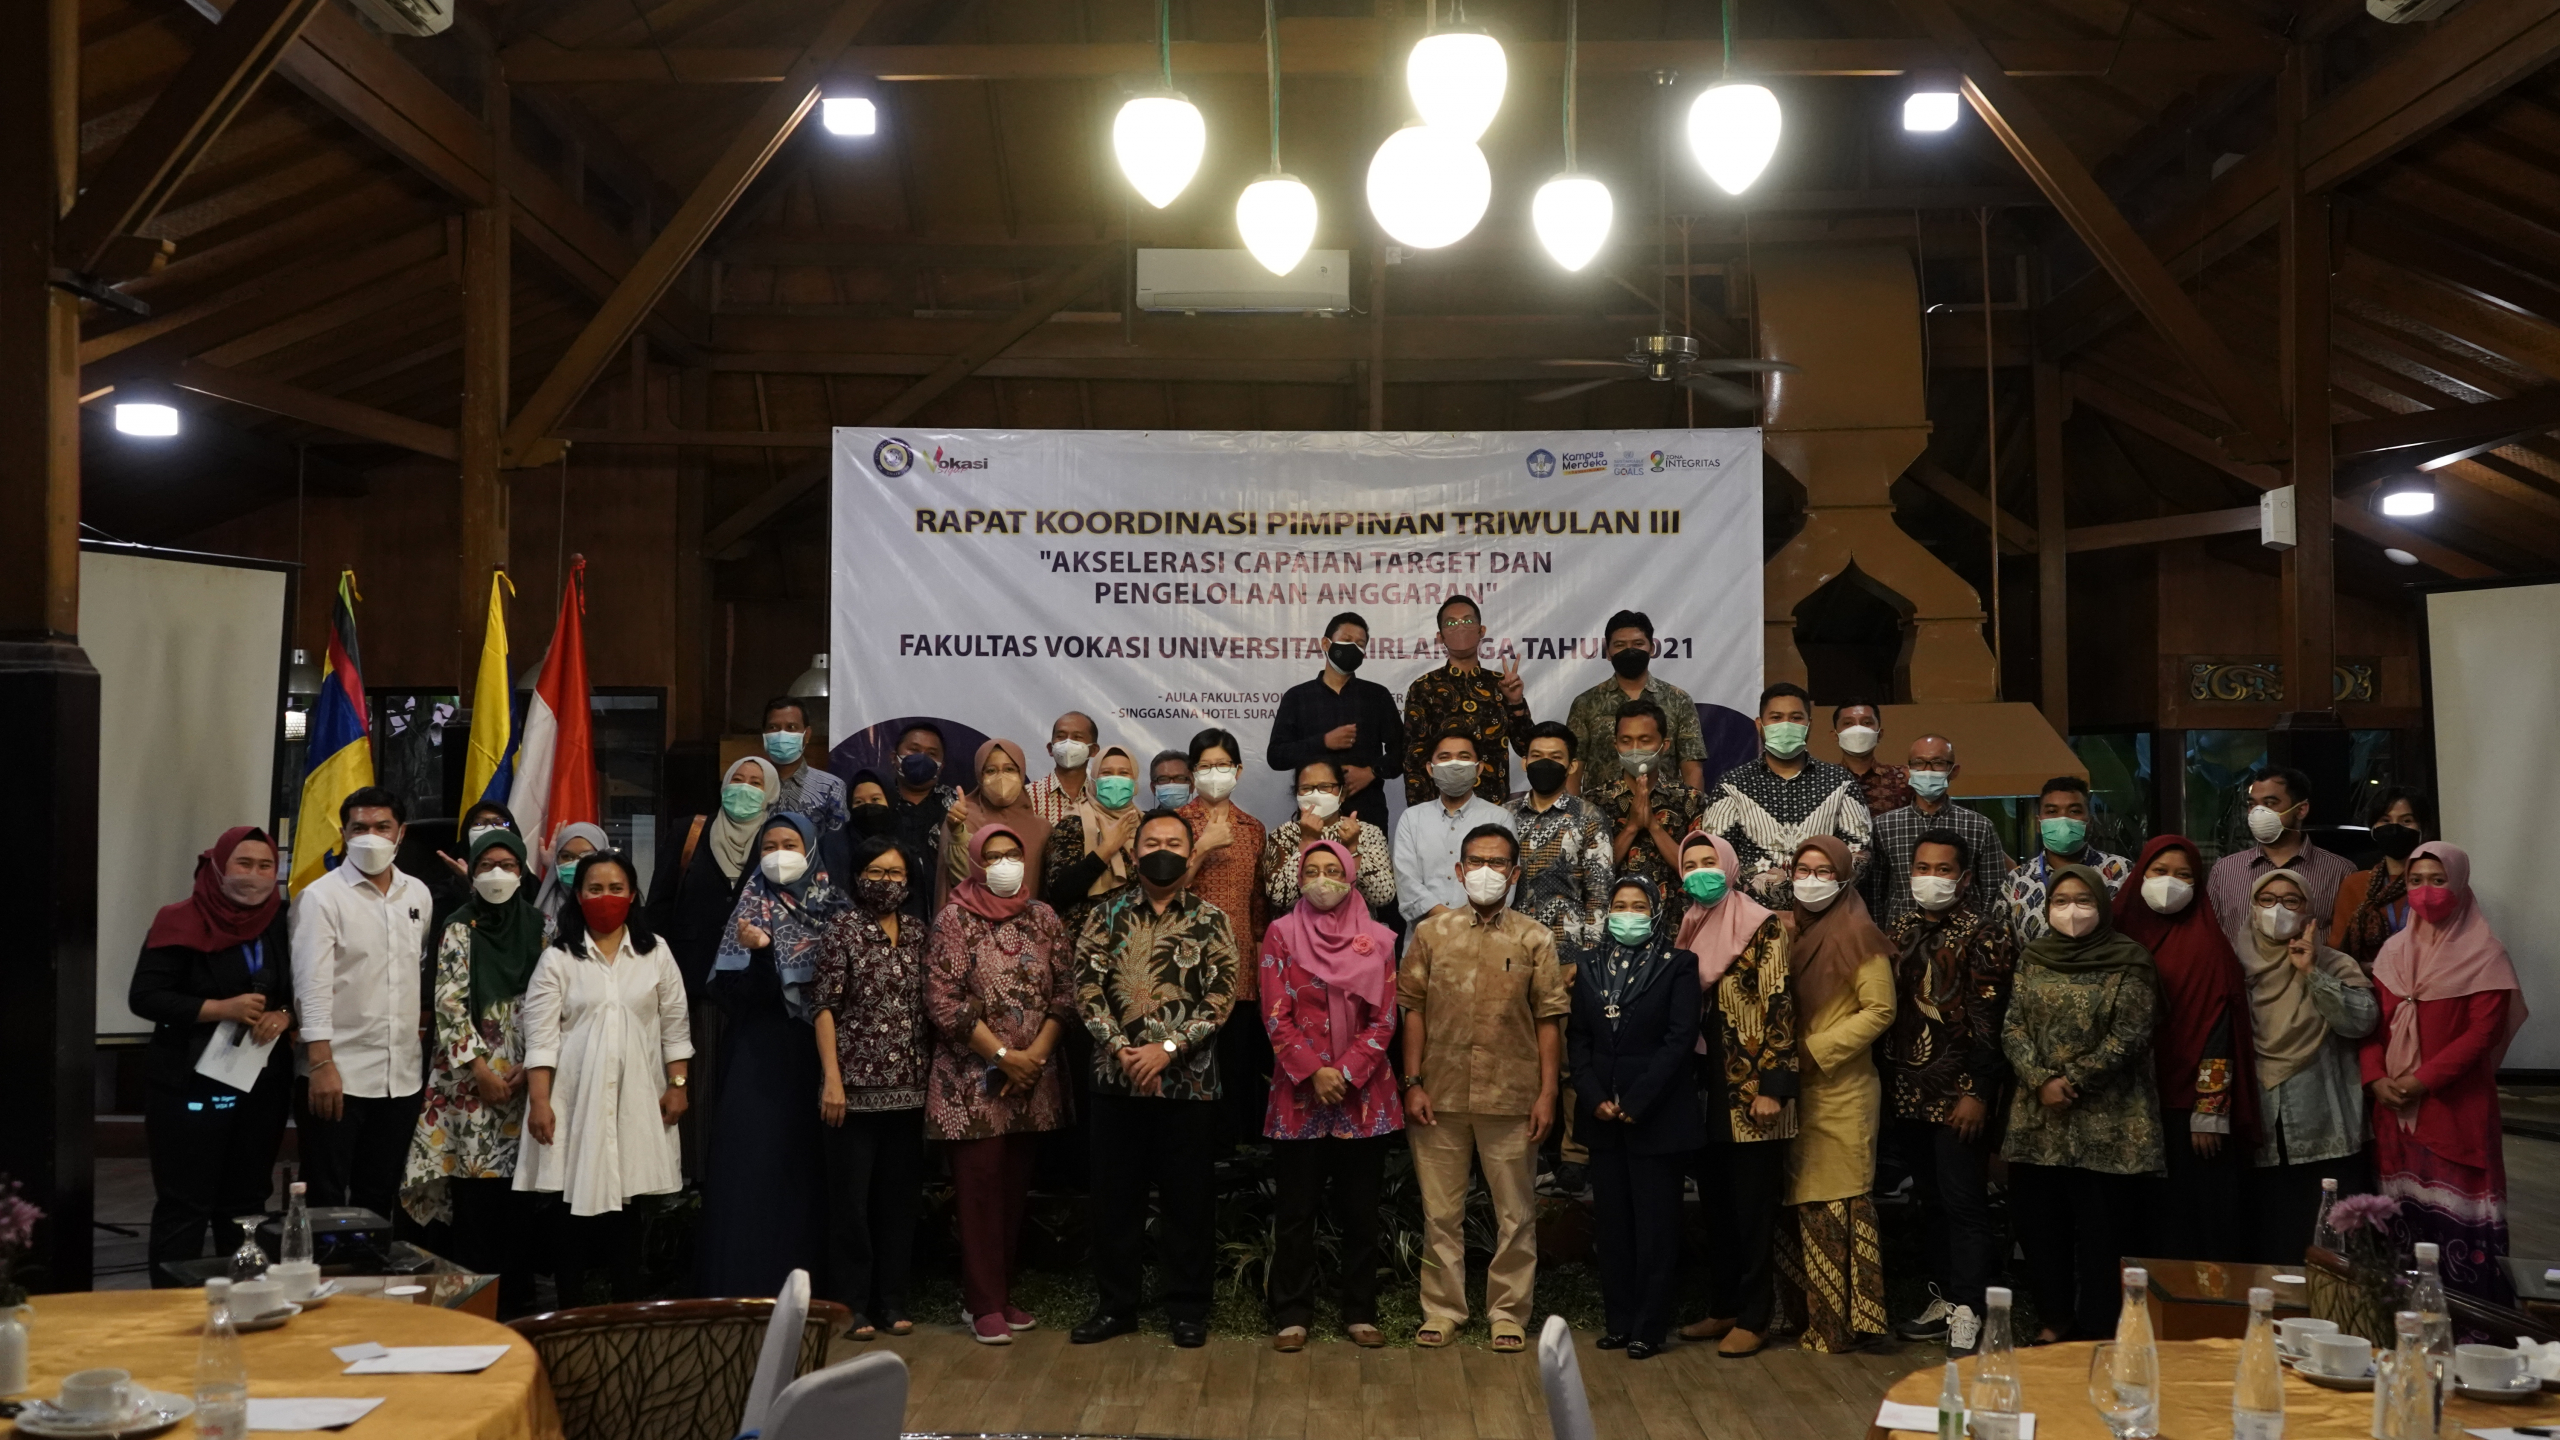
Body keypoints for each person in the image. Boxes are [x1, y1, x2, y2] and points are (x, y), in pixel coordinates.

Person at [1072, 809, 1240, 1349]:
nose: (1161, 850)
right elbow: (1085, 988)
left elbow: (1223, 994)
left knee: (1188, 1201)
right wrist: (1123, 1048)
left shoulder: (1211, 918)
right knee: (1114, 1200)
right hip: (1115, 1081)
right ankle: (1116, 1306)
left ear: (1191, 853)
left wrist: (1168, 1048)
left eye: (1173, 842)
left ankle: (1188, 1308)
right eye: (1151, 842)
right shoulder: (1105, 915)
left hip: (1188, 1084)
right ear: (1134, 853)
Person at [1398, 824, 1566, 1354]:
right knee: (1439, 1213)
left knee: (1516, 1214)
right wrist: (1412, 1082)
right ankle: (1443, 1310)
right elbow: (1413, 1011)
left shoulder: (1536, 938)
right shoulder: (1432, 934)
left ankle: (1508, 1313)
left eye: (1497, 863)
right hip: (1438, 1096)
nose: (1485, 872)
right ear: (1459, 870)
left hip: (1512, 1096)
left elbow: (1548, 1020)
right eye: (1476, 861)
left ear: (1514, 874)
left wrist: (1548, 1094)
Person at [517, 851, 693, 1304]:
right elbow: (539, 1037)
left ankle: (628, 1317)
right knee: (566, 1212)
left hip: (638, 1098)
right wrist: (539, 1101)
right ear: (578, 895)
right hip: (572, 1102)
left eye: (616, 888)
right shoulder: (557, 958)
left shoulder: (656, 953)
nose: (606, 897)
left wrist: (677, 1087)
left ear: (633, 895)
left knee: (628, 1212)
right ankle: (571, 1315)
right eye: (595, 888)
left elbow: (675, 1027)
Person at [926, 824, 1075, 1346]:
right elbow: (943, 1001)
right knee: (980, 1192)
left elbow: (1064, 995)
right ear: (974, 863)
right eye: (992, 856)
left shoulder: (1044, 917)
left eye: (1013, 853)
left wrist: (1033, 1057)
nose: (1005, 863)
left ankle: (999, 1292)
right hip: (972, 1081)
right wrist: (1003, 1056)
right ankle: (980, 1302)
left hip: (1033, 1077)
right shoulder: (953, 918)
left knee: (1013, 1193)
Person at [2000, 864, 2162, 1342]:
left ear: (2103, 904)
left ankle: (2098, 1325)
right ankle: (2055, 1319)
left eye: (2083, 900)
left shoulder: (2129, 959)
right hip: (2039, 1118)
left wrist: (2069, 1079)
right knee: (2040, 1226)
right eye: (2061, 901)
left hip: (2109, 1119)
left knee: (2103, 1232)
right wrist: (2040, 1079)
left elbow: (2130, 1034)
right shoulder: (2034, 955)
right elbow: (2012, 1025)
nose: (2072, 910)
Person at [2363, 842, 2526, 1305]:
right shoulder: (2392, 954)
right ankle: (2400, 1327)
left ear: (2458, 885)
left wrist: (2421, 1080)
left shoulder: (2486, 955)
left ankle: (2472, 1331)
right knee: (2399, 1222)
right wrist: (2375, 1078)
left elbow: (2482, 1035)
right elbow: (2369, 1026)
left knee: (2460, 1232)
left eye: (2438, 881)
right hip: (2393, 1114)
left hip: (2454, 1110)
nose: (2426, 891)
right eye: (2416, 881)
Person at [1259, 841, 1404, 1352]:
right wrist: (1314, 1072)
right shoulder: (1279, 934)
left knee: (1360, 1211)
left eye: (1333, 871)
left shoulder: (1381, 939)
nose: (1323, 880)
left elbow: (1386, 1018)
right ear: (1299, 879)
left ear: (1351, 877)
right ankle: (1292, 1313)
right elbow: (1275, 1014)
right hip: (1298, 1093)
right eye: (1313, 871)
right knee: (1296, 1210)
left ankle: (1359, 1311)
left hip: (1363, 1095)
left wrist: (1344, 1072)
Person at [130, 827, 293, 1283]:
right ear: (219, 867)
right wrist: (219, 1009)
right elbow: (145, 997)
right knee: (185, 1203)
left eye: (266, 866)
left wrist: (284, 1014)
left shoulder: (283, 920)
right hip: (187, 1084)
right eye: (244, 864)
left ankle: (247, 1304)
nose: (256, 876)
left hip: (259, 1085)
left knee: (246, 1202)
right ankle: (170, 1315)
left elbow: (303, 991)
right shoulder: (178, 919)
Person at [1879, 830, 2015, 1353]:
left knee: (1963, 1204)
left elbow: (1991, 1023)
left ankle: (1971, 1308)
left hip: (1959, 1097)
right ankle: (1942, 1296)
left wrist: (1979, 1093)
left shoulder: (1986, 934)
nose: (1929, 878)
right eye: (1921, 867)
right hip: (1908, 1092)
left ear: (1965, 878)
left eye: (1942, 869)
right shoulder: (1899, 928)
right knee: (1929, 1200)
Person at [696, 814, 837, 1306]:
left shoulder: (832, 908)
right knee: (750, 1167)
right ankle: (741, 1286)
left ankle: (807, 1292)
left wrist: (777, 946)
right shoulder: (748, 907)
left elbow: (840, 985)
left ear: (812, 848)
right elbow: (732, 994)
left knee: (804, 1172)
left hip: (817, 1056)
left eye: (790, 843)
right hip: (757, 1057)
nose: (779, 853)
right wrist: (759, 954)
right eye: (769, 845)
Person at [399, 829, 540, 1312]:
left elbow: (552, 1003)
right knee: (476, 1206)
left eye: (508, 864)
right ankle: (474, 1316)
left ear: (523, 871)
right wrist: (479, 1068)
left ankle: (521, 1317)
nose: (497, 874)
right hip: (469, 1085)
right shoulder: (459, 926)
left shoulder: (541, 927)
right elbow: (449, 1004)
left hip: (528, 1081)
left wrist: (533, 1064)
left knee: (521, 1209)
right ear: (471, 872)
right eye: (486, 865)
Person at [1567, 877, 1703, 1360]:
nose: (1627, 913)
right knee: (1614, 1227)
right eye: (1619, 905)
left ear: (1655, 911)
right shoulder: (1587, 965)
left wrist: (1637, 1099)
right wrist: (1594, 1096)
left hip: (1657, 1116)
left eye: (1637, 906)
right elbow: (1578, 1040)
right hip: (1602, 1114)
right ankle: (1619, 1321)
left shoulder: (1679, 965)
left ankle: (1650, 1326)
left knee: (1656, 1226)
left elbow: (1679, 1039)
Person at [1770, 836, 1897, 1355]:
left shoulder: (1859, 936)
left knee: (1836, 1203)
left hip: (1841, 1091)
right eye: (1803, 869)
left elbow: (1880, 1011)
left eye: (1825, 871)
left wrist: (1813, 1051)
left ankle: (1842, 1324)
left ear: (1845, 878)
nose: (1812, 879)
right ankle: (1804, 1318)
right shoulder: (1788, 931)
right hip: (1794, 1094)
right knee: (1798, 1203)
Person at [1670, 832, 1793, 1359]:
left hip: (1751, 1090)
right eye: (1691, 863)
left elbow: (1781, 1005)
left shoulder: (1762, 924)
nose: (1701, 871)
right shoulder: (1691, 923)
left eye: (1709, 862)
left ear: (1730, 866)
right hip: (1703, 1084)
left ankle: (1756, 1315)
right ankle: (1723, 1306)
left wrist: (1774, 1087)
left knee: (1753, 1208)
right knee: (1716, 1203)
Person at [2113, 836, 2257, 1265]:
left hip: (2186, 1113)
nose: (2168, 883)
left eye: (2183, 875)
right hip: (2124, 1104)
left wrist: (2209, 1111)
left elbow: (2220, 1030)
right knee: (2133, 1220)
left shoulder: (2209, 946)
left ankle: (2201, 1319)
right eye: (2158, 872)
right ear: (2139, 875)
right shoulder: (2117, 932)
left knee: (2192, 1220)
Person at [291, 786, 432, 1225]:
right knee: (327, 1196)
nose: (370, 835)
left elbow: (416, 970)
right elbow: (310, 986)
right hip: (337, 1074)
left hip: (400, 1077)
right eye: (359, 827)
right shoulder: (321, 897)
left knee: (379, 1192)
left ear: (400, 833)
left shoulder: (418, 895)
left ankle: (370, 1290)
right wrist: (320, 1064)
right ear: (344, 833)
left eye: (381, 826)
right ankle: (328, 1286)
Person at [812, 833, 929, 1335]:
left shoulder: (921, 933)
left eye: (895, 874)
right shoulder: (842, 929)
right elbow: (824, 1006)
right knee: (850, 1206)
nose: (886, 883)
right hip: (853, 1092)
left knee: (898, 1204)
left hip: (911, 1091)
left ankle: (892, 1301)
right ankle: (852, 1304)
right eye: (876, 873)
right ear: (858, 877)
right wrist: (832, 1080)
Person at [2237, 867, 2377, 1263]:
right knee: (2270, 1235)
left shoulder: (2333, 962)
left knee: (2328, 1238)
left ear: (2309, 912)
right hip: (2259, 1123)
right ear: (2251, 907)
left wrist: (2311, 972)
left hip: (2324, 1122)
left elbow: (2360, 1022)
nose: (2277, 909)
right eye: (2267, 900)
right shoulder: (2235, 966)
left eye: (2290, 901)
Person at [1176, 728, 1272, 1144]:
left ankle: (1238, 1169)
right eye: (1205, 766)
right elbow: (1161, 892)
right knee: (1189, 1074)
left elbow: (1258, 910)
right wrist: (1202, 847)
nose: (1215, 773)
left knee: (1236, 1072)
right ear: (1192, 773)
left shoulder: (1253, 828)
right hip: (1184, 971)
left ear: (1239, 770)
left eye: (1223, 766)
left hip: (1240, 974)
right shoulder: (1172, 825)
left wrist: (1261, 975)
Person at [1701, 682, 1872, 901]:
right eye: (1776, 718)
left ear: (1809, 724)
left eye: (1796, 718)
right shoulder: (1731, 785)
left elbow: (1861, 853)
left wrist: (1817, 896)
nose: (1786, 725)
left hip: (1826, 915)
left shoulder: (1840, 782)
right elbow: (1715, 856)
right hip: (1752, 920)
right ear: (1759, 724)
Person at [1267, 612, 1405, 831]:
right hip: (1313, 816)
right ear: (1325, 643)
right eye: (1347, 640)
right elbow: (1276, 756)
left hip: (1367, 814)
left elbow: (1402, 752)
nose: (1354, 648)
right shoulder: (1297, 697)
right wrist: (1323, 742)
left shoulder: (1377, 696)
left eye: (1360, 644)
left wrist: (1371, 771)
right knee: (1316, 866)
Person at [649, 757, 777, 990]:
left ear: (770, 793)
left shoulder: (777, 838)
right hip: (688, 971)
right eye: (737, 780)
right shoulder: (688, 831)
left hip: (752, 977)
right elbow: (660, 902)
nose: (744, 788)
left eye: (756, 783)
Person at [1860, 734, 2010, 929]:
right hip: (1901, 937)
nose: (1927, 770)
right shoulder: (1884, 825)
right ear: (1908, 771)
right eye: (1919, 763)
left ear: (1953, 771)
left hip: (1964, 939)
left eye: (1938, 763)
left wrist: (1986, 935)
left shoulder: (1980, 826)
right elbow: (1875, 894)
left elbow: (1994, 892)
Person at [2208, 766, 2356, 962]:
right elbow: (2211, 940)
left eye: (2270, 803)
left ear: (2301, 810)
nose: (2258, 812)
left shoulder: (2340, 871)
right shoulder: (2225, 870)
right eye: (2253, 805)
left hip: (2309, 984)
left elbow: (2349, 944)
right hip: (2241, 987)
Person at [1402, 594, 1534, 806]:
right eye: (1451, 623)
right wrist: (1420, 813)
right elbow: (1414, 759)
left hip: (1493, 805)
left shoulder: (1501, 684)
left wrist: (1515, 703)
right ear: (1440, 636)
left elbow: (1526, 747)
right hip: (1441, 808)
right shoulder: (1424, 688)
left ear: (1482, 631)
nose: (1460, 627)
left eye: (1468, 621)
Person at [1588, 701, 1704, 930]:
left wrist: (1653, 826)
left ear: (1665, 745)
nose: (1635, 749)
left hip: (1676, 927)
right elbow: (1593, 875)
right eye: (1626, 741)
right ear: (1615, 745)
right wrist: (1631, 827)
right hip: (1613, 928)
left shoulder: (1689, 800)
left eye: (1645, 740)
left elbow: (1697, 875)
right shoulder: (1594, 803)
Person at [1563, 609, 1707, 793]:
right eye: (1620, 645)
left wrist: (1690, 814)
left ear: (1652, 648)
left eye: (1638, 643)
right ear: (1608, 652)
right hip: (1600, 816)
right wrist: (1577, 818)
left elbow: (1692, 768)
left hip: (1667, 814)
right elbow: (1574, 769)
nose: (1629, 651)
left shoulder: (1678, 700)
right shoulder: (1586, 703)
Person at [1505, 722, 1614, 955]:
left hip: (1565, 951)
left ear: (1572, 765)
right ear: (1524, 762)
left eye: (1555, 757)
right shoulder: (1504, 815)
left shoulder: (1588, 816)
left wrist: (1589, 956)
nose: (1545, 763)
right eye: (1536, 755)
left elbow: (1599, 893)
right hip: (1508, 946)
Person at [1394, 729, 1517, 924]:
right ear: (1430, 768)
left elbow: (1504, 884)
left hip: (1484, 938)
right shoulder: (1412, 819)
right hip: (1426, 940)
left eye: (1464, 757)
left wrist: (1468, 925)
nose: (1454, 764)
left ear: (1479, 768)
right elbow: (1407, 885)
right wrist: (1455, 922)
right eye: (1445, 757)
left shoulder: (1500, 819)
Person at [1998, 776, 2132, 946]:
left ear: (2089, 822)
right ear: (2038, 824)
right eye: (2052, 812)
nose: (2063, 819)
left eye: (2074, 811)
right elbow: (2003, 945)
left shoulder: (2121, 872)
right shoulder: (2017, 881)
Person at [1262, 758, 1396, 919]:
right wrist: (1306, 842)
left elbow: (1382, 896)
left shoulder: (1367, 833)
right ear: (1297, 794)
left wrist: (1354, 850)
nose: (1316, 794)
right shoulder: (1283, 834)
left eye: (1325, 787)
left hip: (1354, 935)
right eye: (1306, 788)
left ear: (1342, 794)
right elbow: (1280, 897)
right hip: (1298, 935)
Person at [1044, 744, 1142, 938]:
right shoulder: (1073, 824)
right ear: (1094, 780)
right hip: (1084, 942)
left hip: (1138, 941)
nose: (1115, 780)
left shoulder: (1147, 827)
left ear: (1135, 781)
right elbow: (1059, 892)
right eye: (1106, 773)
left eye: (1124, 773)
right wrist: (1107, 848)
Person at [943, 739, 1052, 908]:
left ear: (1022, 774)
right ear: (979, 776)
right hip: (974, 924)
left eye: (1009, 769)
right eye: (991, 771)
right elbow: (961, 879)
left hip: (1028, 926)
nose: (1001, 777)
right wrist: (957, 832)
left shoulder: (1041, 828)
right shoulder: (961, 819)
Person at [2333, 788, 2430, 969]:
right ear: (2373, 828)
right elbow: (2338, 951)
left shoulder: (2436, 881)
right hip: (2369, 989)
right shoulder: (2356, 884)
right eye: (2385, 820)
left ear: (2423, 828)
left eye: (2406, 820)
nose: (2395, 828)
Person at [888, 722, 959, 926]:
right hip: (886, 921)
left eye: (931, 753)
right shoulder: (877, 801)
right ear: (894, 758)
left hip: (944, 921)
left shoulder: (957, 806)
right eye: (914, 750)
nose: (922, 758)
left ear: (941, 765)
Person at [761, 695, 848, 841]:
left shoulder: (831, 787)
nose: (782, 734)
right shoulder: (751, 783)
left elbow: (836, 847)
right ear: (764, 734)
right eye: (773, 727)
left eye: (791, 727)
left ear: (806, 735)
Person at [1831, 701, 1911, 816]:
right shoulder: (1823, 780)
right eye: (1848, 723)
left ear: (1879, 734)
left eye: (1867, 722)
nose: (1858, 729)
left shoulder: (1905, 777)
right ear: (1835, 736)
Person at [534, 821, 611, 938]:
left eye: (587, 856)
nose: (576, 863)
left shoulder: (615, 906)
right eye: (567, 857)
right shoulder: (540, 910)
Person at [1025, 711, 1100, 825]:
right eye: (1061, 736)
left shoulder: (1101, 797)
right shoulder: (1028, 796)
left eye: (1077, 737)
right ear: (1051, 748)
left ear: (1094, 750)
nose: (1068, 743)